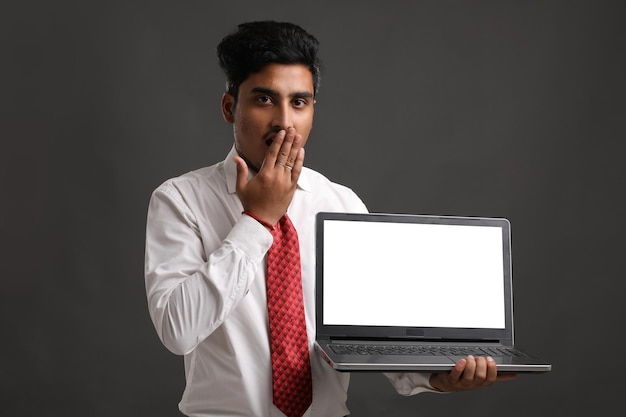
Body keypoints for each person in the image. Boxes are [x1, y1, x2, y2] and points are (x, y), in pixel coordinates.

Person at [144, 20, 516, 417]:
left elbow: (376, 334)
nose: (285, 122)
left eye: (299, 102)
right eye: (265, 100)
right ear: (230, 107)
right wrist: (257, 221)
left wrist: (439, 377)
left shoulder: (341, 203)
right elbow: (177, 330)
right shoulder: (180, 200)